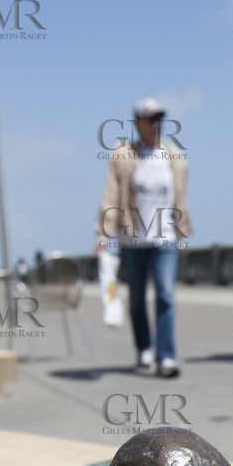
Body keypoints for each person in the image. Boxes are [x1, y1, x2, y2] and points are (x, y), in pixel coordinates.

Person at [97, 97, 191, 378]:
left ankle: (166, 357)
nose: (155, 124)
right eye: (149, 119)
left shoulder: (174, 157)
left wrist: (182, 228)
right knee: (137, 299)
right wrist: (103, 233)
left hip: (165, 238)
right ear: (138, 122)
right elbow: (111, 194)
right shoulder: (123, 155)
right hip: (132, 238)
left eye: (159, 118)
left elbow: (180, 197)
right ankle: (144, 348)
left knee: (165, 295)